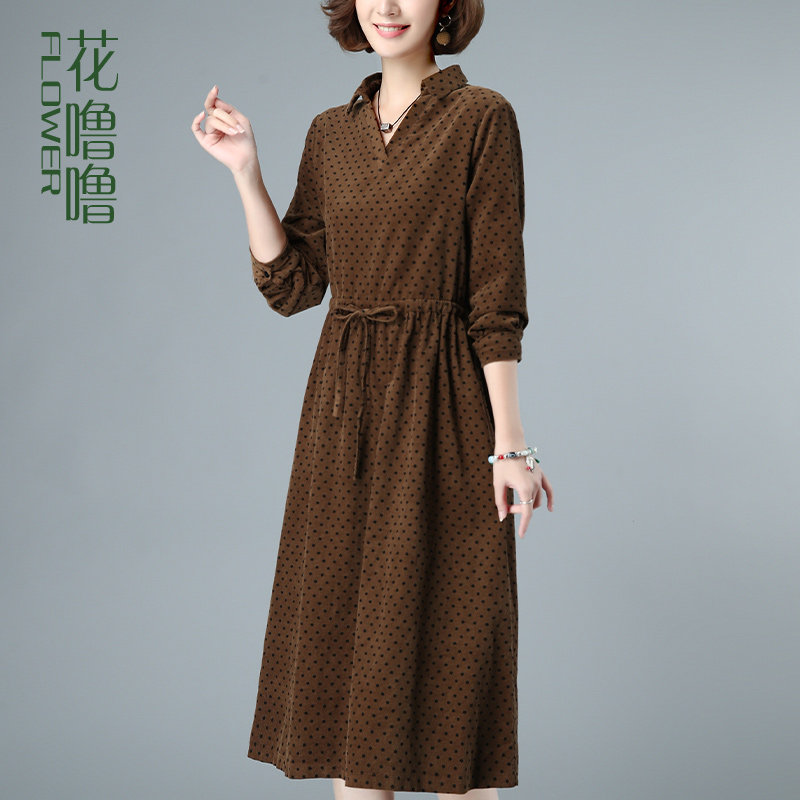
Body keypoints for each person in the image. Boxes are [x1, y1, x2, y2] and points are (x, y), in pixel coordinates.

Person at [191, 1, 554, 797]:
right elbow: (294, 286)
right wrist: (246, 171)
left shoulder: (481, 118)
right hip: (342, 413)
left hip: (447, 408)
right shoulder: (331, 132)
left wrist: (511, 445)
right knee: (350, 667)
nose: (388, 6)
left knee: (457, 656)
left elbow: (496, 295)